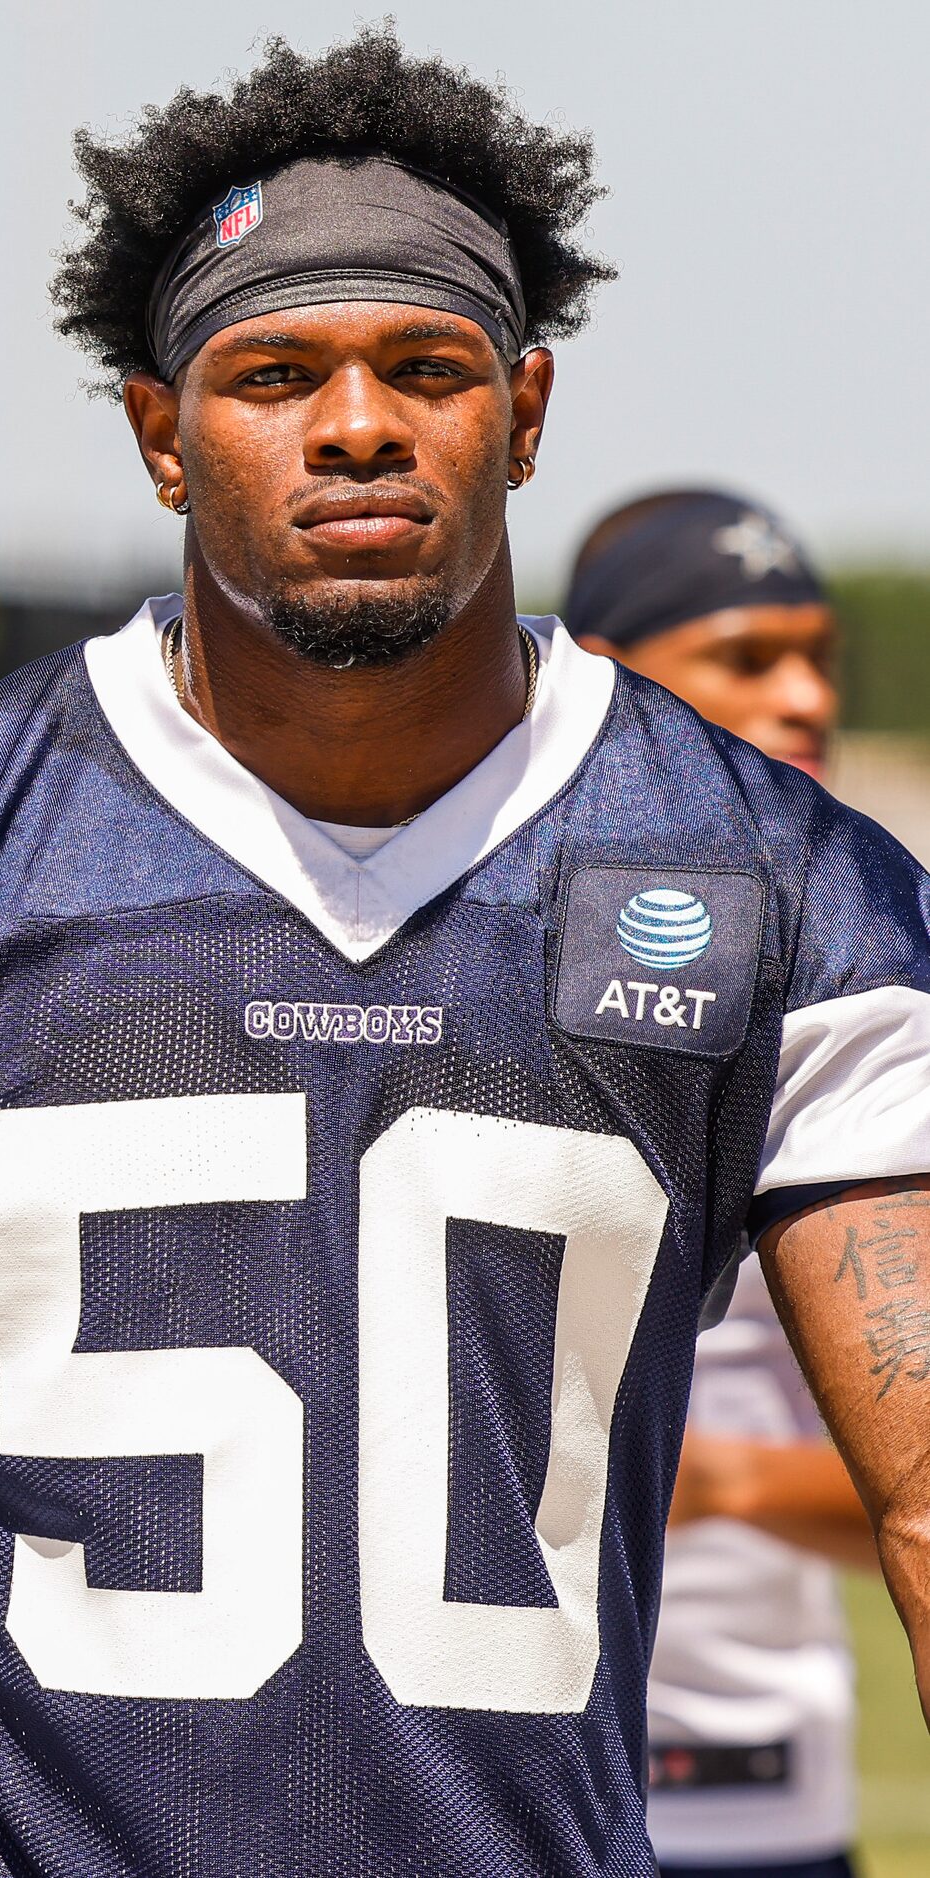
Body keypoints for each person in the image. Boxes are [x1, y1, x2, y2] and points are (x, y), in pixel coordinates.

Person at [0, 29, 930, 1878]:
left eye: (427, 368)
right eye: (276, 371)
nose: (358, 425)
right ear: (162, 428)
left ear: (525, 409)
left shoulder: (787, 886)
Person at [565, 491, 872, 1878]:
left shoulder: (865, 1017)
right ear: (611, 676)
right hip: (485, 1792)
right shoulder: (473, 978)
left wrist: (725, 1476)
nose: (805, 696)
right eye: (745, 657)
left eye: (817, 653)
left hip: (762, 1794)